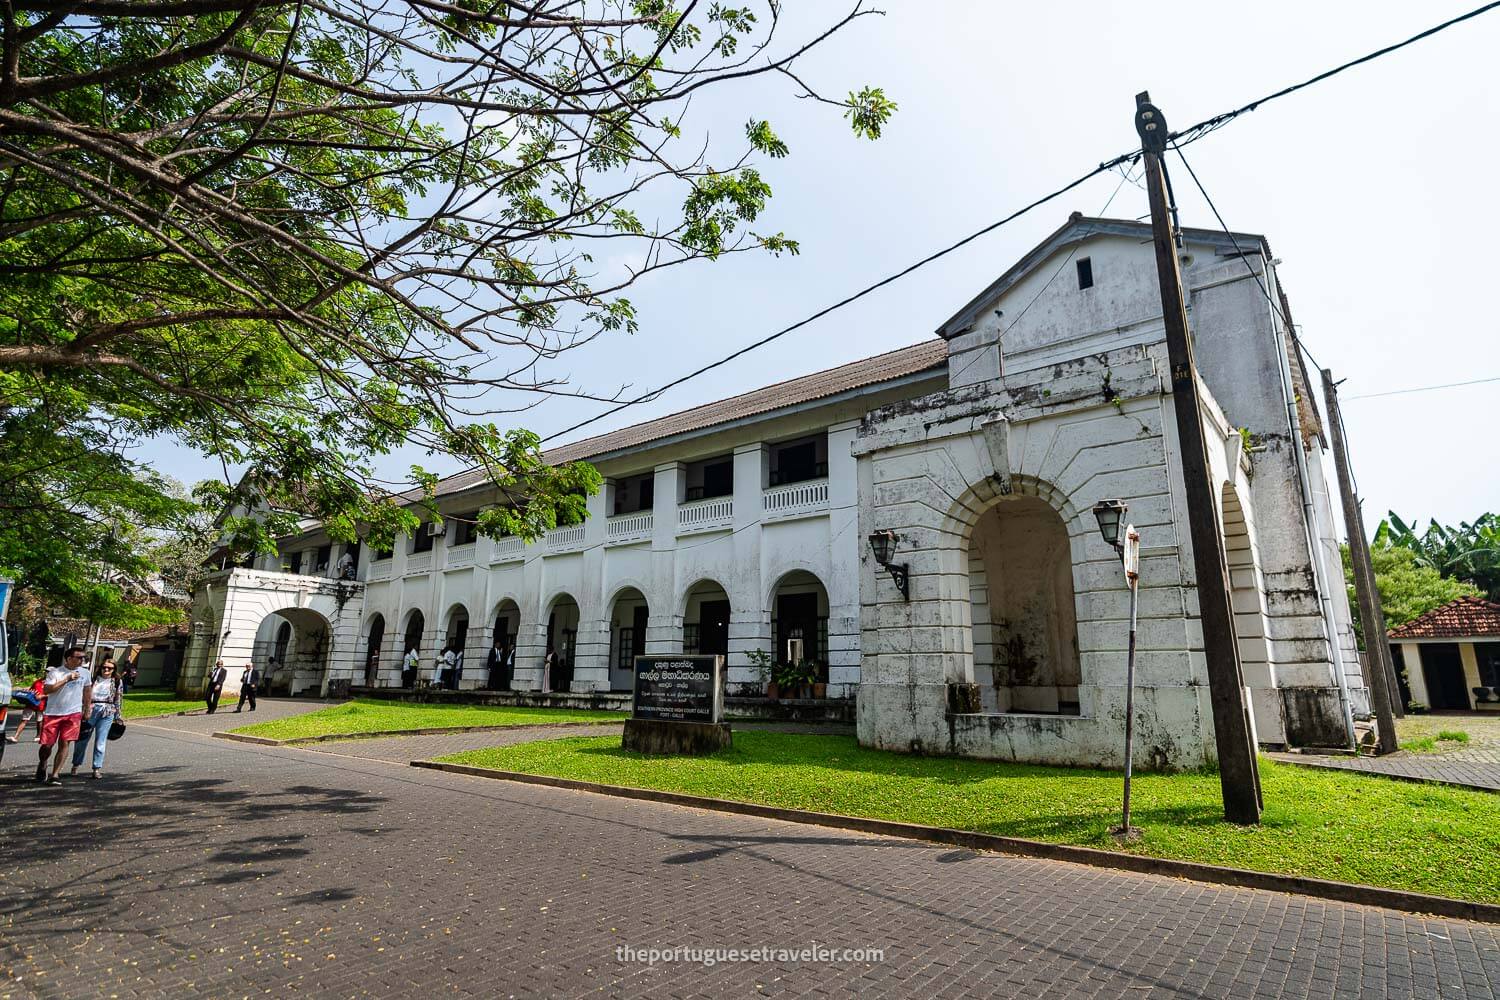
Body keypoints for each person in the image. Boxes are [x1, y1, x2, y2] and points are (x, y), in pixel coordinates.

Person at [37, 646, 91, 785]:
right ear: (69, 658)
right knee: (47, 745)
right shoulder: (56, 672)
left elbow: (87, 691)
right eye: (79, 657)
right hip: (53, 713)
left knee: (65, 743)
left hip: (73, 713)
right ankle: (43, 763)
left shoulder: (85, 673)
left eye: (84, 658)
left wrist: (87, 708)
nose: (82, 660)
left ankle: (55, 775)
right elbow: (47, 690)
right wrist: (66, 679)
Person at [71, 658, 121, 778]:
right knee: (82, 739)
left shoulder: (117, 681)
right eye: (104, 667)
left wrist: (118, 715)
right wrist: (82, 710)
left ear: (114, 670)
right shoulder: (93, 679)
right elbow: (83, 695)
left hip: (107, 711)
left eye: (109, 668)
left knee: (100, 741)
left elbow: (118, 698)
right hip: (91, 710)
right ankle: (76, 765)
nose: (106, 670)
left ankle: (96, 768)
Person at [8, 676, 46, 743]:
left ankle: (38, 736)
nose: (47, 673)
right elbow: (31, 689)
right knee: (24, 719)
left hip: (41, 704)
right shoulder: (37, 681)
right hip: (31, 702)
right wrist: (26, 690)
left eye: (49, 672)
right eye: (46, 671)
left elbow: (52, 693)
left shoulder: (51, 683)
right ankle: (15, 737)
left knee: (39, 720)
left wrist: (42, 696)